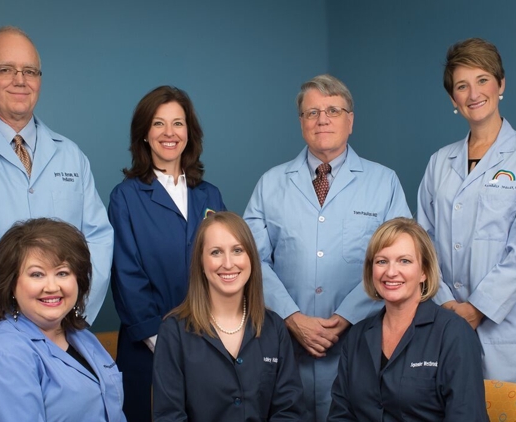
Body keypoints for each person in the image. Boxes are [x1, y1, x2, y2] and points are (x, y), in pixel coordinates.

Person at [0, 26, 113, 403]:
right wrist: (8, 307)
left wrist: (70, 306)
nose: (20, 80)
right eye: (6, 69)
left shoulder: (70, 155)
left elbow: (99, 238)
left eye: (30, 71)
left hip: (62, 334)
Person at [243, 74, 411, 420]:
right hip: (285, 348)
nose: (322, 120)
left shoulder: (384, 182)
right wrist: (292, 317)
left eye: (333, 110)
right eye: (312, 112)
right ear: (301, 122)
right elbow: (251, 261)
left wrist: (346, 317)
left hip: (361, 344)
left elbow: (402, 261)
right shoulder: (270, 184)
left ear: (351, 120)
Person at [109, 85, 226, 421]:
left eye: (178, 123)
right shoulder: (126, 197)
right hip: (148, 349)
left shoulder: (210, 196)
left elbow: (226, 267)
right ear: (144, 133)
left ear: (189, 132)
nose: (169, 133)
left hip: (208, 342)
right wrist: (164, 344)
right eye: (159, 124)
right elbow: (126, 273)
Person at [417, 38, 516, 382]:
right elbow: (422, 241)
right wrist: (446, 304)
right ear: (453, 100)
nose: (474, 93)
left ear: (501, 84)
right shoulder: (439, 162)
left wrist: (477, 309)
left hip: (504, 328)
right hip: (443, 320)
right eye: (462, 86)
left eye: (483, 79)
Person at [0, 218, 126, 421]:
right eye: (37, 274)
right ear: (11, 284)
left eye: (62, 273)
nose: (52, 287)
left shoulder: (82, 338)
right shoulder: (2, 354)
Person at [327, 217, 487, 421]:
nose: (391, 272)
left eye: (405, 261)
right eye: (382, 261)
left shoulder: (454, 333)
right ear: (371, 270)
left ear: (424, 272)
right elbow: (341, 415)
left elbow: (466, 416)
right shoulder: (357, 337)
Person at [153, 212, 306, 421]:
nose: (228, 263)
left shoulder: (274, 328)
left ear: (251, 257)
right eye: (216, 252)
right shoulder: (174, 332)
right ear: (200, 261)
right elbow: (168, 416)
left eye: (237, 250)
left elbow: (290, 412)